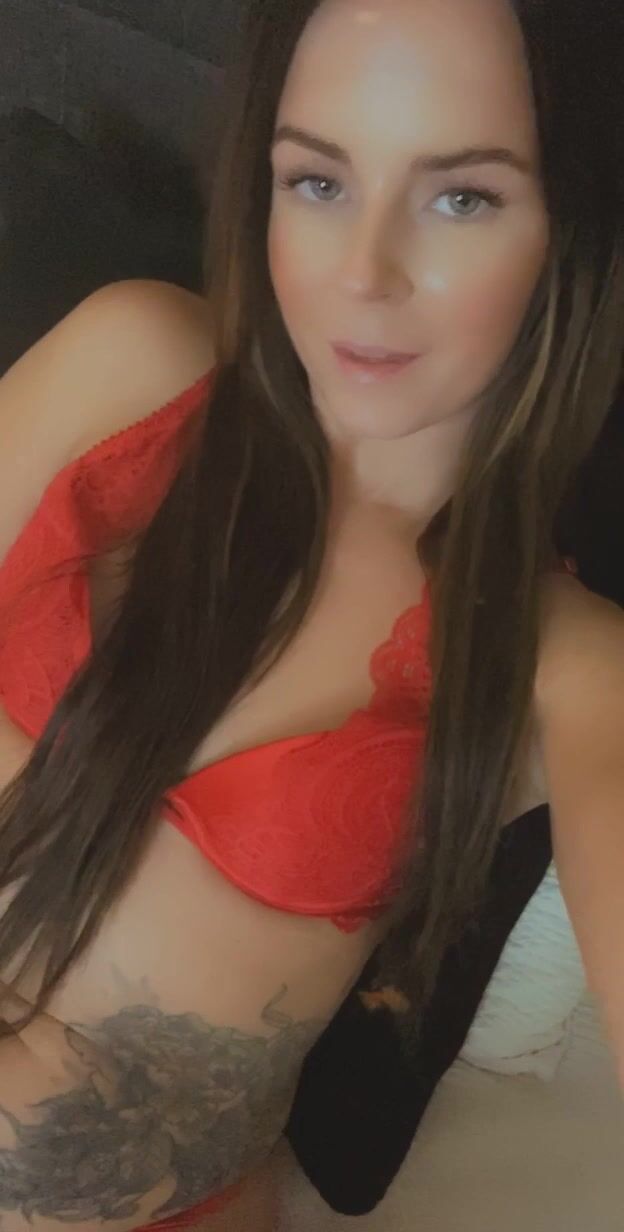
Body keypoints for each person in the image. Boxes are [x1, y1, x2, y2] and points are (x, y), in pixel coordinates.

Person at [0, 0, 623, 1228]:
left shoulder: (561, 662)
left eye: (462, 197)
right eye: (319, 180)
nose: (361, 273)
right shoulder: (134, 358)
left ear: (575, 233)